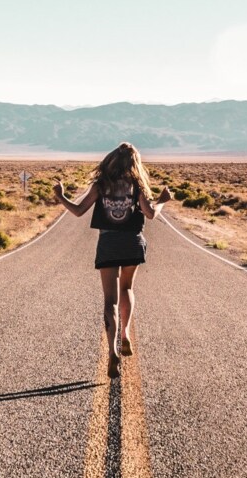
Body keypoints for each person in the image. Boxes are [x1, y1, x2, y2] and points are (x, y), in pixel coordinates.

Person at [53, 142, 173, 378]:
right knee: (127, 287)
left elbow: (78, 211)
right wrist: (162, 200)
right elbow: (150, 214)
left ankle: (112, 350)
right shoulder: (137, 185)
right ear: (134, 163)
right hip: (132, 242)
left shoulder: (101, 185)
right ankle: (126, 333)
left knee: (110, 300)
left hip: (108, 243)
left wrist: (61, 196)